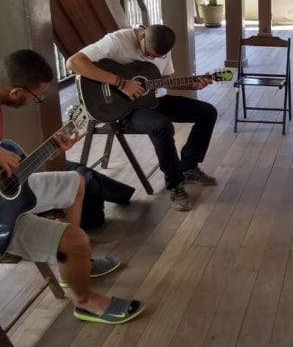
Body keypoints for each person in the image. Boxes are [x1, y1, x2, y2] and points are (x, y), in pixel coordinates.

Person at [0, 50, 143, 325]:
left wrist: (53, 149)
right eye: (37, 96)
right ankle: (84, 300)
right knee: (76, 240)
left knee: (77, 181)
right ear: (17, 91)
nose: (36, 101)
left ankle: (75, 265)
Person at [66, 24, 218, 212]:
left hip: (151, 100)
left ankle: (187, 165)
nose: (153, 58)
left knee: (207, 112)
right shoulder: (117, 41)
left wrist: (191, 85)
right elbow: (73, 63)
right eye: (149, 54)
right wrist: (121, 83)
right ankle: (175, 185)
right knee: (162, 126)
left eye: (157, 56)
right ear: (141, 36)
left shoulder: (163, 49)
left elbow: (164, 81)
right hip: (121, 109)